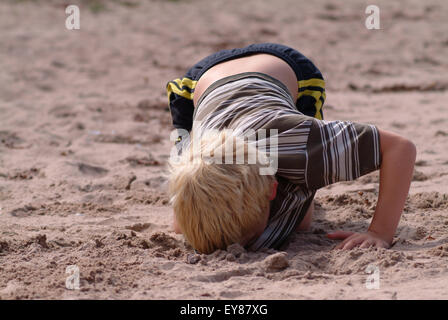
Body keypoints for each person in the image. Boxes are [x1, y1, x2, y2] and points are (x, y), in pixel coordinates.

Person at [166, 43, 416, 254]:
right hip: (194, 89)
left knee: (302, 220)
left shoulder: (299, 140)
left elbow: (399, 148)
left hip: (285, 69)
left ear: (272, 188)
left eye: (253, 236)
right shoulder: (197, 148)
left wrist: (380, 232)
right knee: (183, 223)